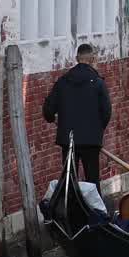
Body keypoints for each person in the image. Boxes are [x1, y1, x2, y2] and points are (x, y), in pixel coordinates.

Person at [43, 43, 113, 189]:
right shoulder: (98, 83)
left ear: (76, 58)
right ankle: (95, 210)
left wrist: (53, 119)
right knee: (92, 182)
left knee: (69, 181)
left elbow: (48, 110)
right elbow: (106, 112)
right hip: (91, 141)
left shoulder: (62, 82)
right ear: (93, 59)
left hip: (68, 140)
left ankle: (70, 210)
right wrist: (96, 131)